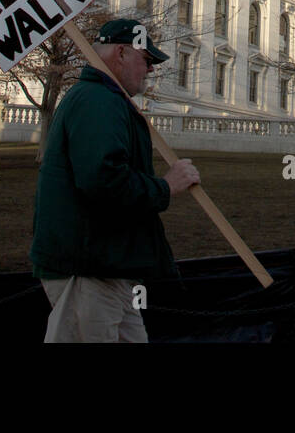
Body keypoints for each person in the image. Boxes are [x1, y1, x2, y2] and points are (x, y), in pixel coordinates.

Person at [30, 18, 200, 342]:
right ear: (121, 53)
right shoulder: (97, 101)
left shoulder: (108, 101)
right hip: (88, 268)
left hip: (109, 266)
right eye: (146, 60)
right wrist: (166, 187)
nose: (150, 70)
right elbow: (104, 180)